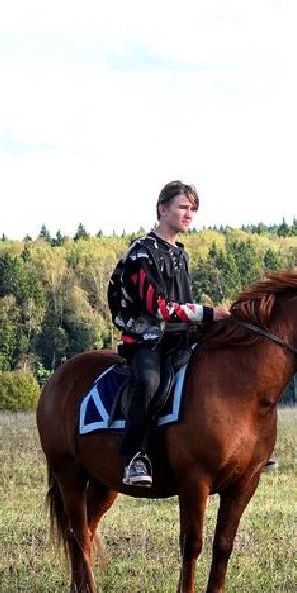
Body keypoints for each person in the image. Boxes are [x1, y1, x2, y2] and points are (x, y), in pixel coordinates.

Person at [106, 180, 230, 487]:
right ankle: (133, 456)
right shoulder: (141, 253)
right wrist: (207, 313)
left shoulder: (180, 254)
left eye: (193, 209)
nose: (189, 214)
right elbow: (158, 307)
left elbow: (183, 303)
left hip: (182, 335)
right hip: (146, 339)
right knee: (149, 383)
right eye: (183, 207)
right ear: (162, 209)